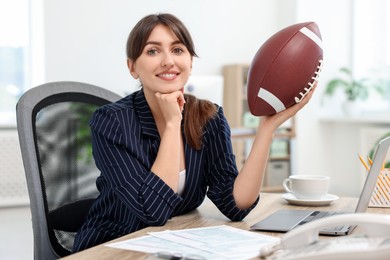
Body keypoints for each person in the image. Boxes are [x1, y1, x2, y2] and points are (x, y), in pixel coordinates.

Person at [73, 13, 316, 252]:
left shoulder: (208, 117)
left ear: (190, 62)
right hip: (111, 247)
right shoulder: (111, 121)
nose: (168, 61)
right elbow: (153, 212)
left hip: (173, 244)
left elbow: (236, 206)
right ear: (132, 67)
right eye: (153, 51)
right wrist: (171, 125)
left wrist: (267, 128)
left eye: (178, 50)